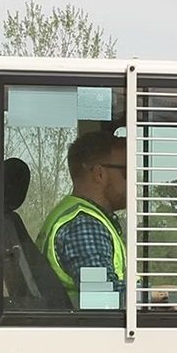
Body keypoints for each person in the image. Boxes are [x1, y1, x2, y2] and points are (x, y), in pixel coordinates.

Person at [38, 131, 127, 307]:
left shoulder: (85, 218)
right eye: (126, 172)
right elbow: (101, 297)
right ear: (99, 174)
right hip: (95, 332)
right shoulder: (84, 226)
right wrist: (149, 295)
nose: (134, 181)